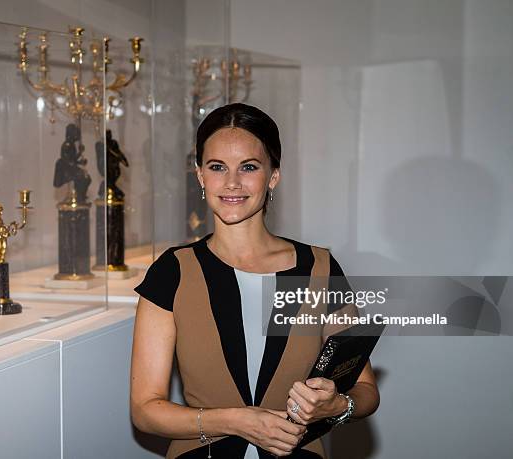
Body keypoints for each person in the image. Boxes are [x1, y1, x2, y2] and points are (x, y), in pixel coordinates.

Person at [130, 103, 379, 458]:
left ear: (273, 176)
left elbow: (366, 390)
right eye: (217, 167)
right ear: (200, 175)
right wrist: (236, 421)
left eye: (249, 167)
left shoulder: (318, 268)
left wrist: (337, 405)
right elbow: (145, 409)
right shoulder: (173, 271)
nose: (232, 182)